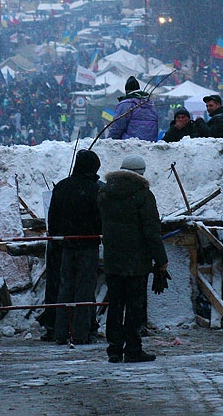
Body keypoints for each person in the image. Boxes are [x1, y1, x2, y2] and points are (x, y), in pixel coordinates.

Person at [98, 154, 168, 363]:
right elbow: (151, 231)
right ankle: (133, 348)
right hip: (136, 261)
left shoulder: (104, 192)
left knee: (115, 304)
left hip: (112, 259)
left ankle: (114, 349)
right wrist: (161, 260)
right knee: (135, 306)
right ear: (140, 174)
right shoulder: (143, 195)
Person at [49, 149, 103, 346]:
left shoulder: (62, 187)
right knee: (85, 289)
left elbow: (53, 217)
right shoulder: (95, 189)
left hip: (66, 245)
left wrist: (55, 239)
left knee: (65, 288)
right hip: (88, 245)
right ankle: (81, 333)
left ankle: (61, 331)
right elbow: (100, 218)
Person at [107, 76, 159, 141]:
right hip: (149, 145)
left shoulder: (125, 104)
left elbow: (118, 127)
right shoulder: (150, 104)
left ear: (126, 91)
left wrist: (109, 141)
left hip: (130, 145)